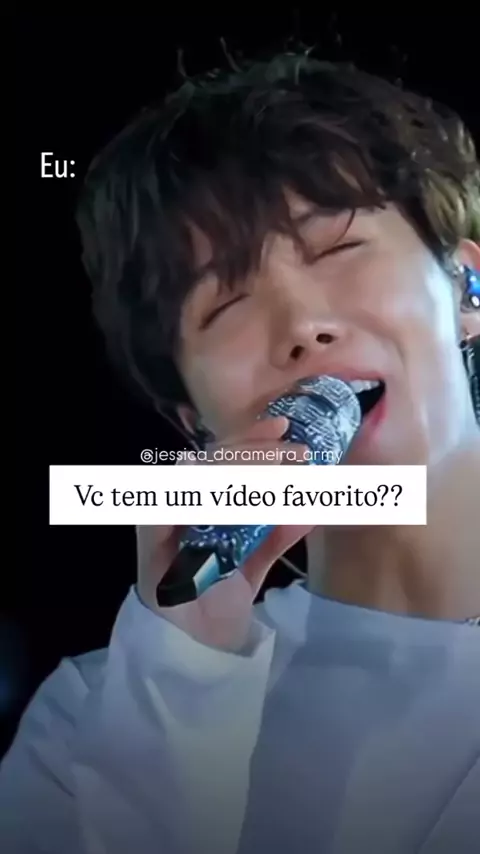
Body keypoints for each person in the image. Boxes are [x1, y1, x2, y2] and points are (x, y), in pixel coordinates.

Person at [2, 50, 480, 854]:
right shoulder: (91, 723)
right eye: (224, 302)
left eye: (338, 249)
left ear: (469, 289)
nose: (302, 326)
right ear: (192, 419)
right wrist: (181, 674)